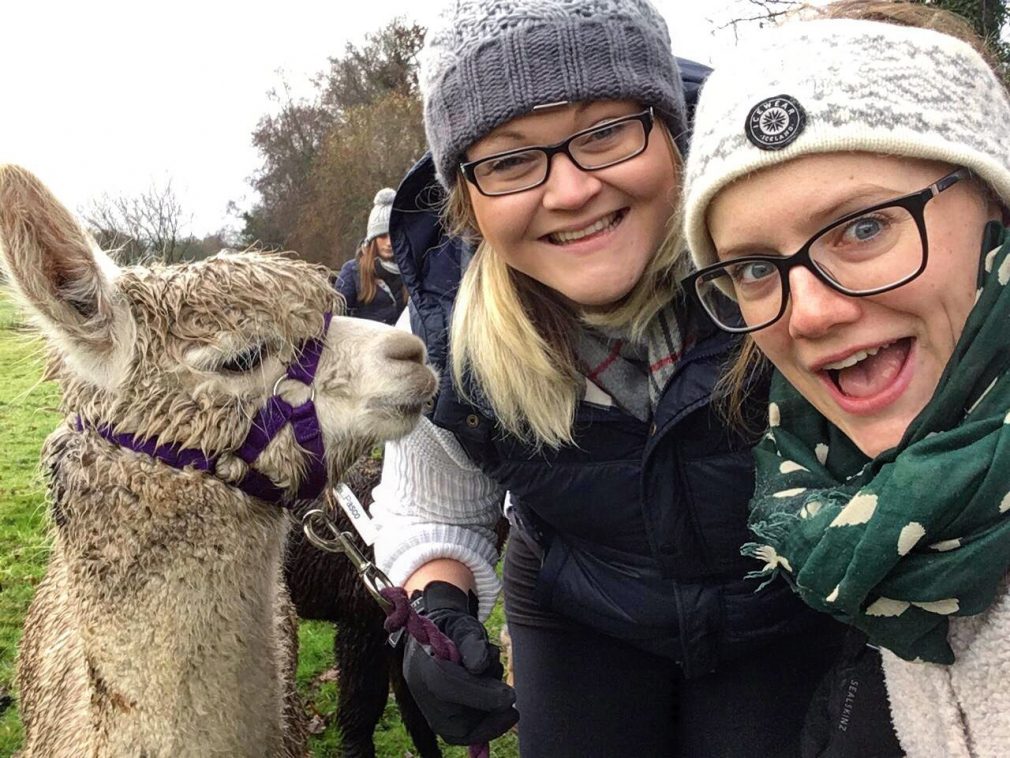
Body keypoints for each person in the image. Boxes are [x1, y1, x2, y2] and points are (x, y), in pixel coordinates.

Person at [370, 1, 852, 755]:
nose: (569, 191)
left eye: (604, 132)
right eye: (509, 160)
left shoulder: (788, 265)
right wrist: (439, 600)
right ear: (467, 196)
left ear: (672, 134)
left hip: (784, 609)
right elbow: (430, 499)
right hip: (579, 608)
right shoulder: (444, 333)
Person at [684, 3, 1010, 756]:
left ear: (996, 205)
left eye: (864, 228)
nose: (810, 314)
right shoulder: (839, 506)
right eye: (758, 269)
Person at [334, 187, 407, 324]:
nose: (389, 243)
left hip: (406, 343)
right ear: (372, 239)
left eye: (394, 235)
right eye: (382, 236)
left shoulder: (412, 272)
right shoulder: (352, 272)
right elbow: (336, 318)